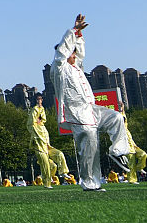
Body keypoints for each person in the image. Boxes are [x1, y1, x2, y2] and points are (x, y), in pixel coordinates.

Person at [52, 15, 130, 191]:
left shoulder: (76, 67)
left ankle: (117, 151)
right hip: (77, 113)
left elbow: (81, 52)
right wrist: (72, 31)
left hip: (91, 108)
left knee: (116, 117)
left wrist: (78, 34)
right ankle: (89, 182)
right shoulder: (58, 69)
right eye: (71, 51)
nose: (74, 53)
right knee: (89, 147)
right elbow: (61, 53)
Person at [30, 96, 55, 188]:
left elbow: (43, 119)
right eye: (38, 100)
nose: (39, 101)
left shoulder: (44, 129)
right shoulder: (35, 128)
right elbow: (31, 123)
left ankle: (53, 177)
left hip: (46, 149)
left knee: (53, 165)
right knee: (45, 166)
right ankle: (47, 183)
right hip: (40, 150)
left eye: (41, 99)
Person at [120, 112, 147, 184]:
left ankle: (139, 167)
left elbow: (124, 118)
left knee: (143, 154)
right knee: (131, 165)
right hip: (127, 149)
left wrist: (122, 109)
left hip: (134, 146)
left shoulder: (125, 127)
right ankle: (132, 180)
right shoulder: (118, 130)